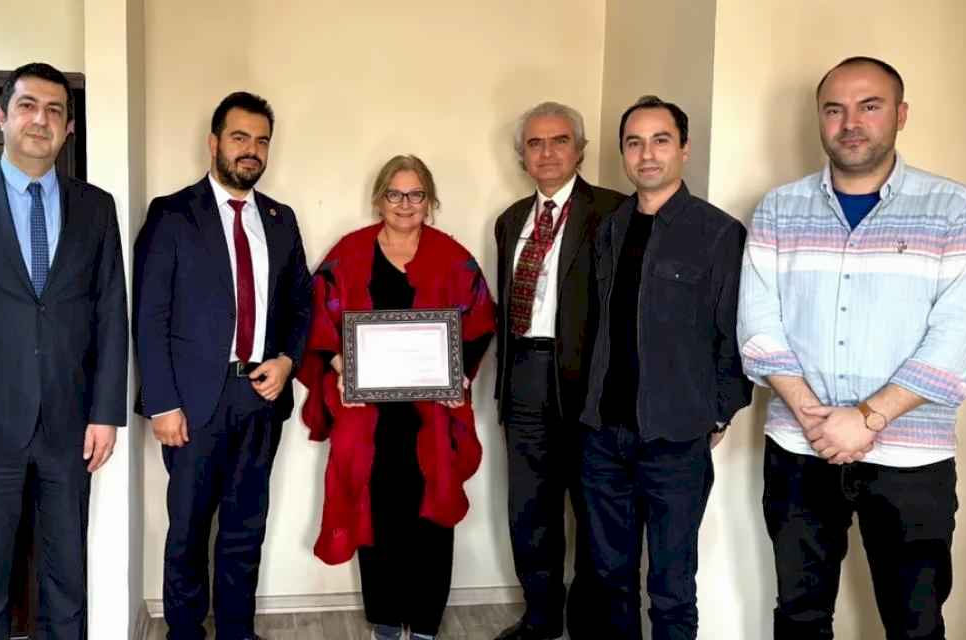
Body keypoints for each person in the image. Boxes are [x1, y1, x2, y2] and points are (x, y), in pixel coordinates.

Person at [738, 56, 966, 640]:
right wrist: (818, 419)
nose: (850, 122)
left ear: (900, 115)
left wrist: (868, 418)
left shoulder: (955, 209)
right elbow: (758, 324)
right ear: (819, 119)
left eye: (869, 106)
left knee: (914, 622)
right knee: (799, 615)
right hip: (799, 451)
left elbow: (958, 339)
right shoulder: (779, 208)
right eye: (834, 109)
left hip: (912, 459)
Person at [0, 62, 129, 640]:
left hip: (70, 426)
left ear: (68, 128)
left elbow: (111, 312)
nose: (41, 119)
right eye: (28, 106)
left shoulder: (97, 207)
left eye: (55, 110)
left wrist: (105, 413)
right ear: (2, 117)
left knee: (67, 582)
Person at [134, 91, 313, 640]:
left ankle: (238, 631)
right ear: (213, 143)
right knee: (188, 530)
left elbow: (302, 304)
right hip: (193, 403)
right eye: (240, 137)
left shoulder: (280, 219)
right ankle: (185, 632)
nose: (251, 150)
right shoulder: (172, 213)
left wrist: (287, 361)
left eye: (261, 140)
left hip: (260, 396)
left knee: (244, 529)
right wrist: (162, 403)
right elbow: (149, 314)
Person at [297, 155, 496, 640]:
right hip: (367, 414)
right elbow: (314, 320)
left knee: (432, 513)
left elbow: (480, 323)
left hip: (431, 414)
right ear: (379, 198)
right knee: (375, 512)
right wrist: (340, 367)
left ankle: (425, 622)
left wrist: (458, 374)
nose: (405, 204)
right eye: (394, 194)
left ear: (430, 200)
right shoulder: (348, 254)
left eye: (416, 194)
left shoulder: (452, 257)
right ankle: (385, 619)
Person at [578, 95, 752, 639]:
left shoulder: (717, 233)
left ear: (684, 149)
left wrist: (719, 412)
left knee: (672, 589)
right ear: (623, 153)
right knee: (610, 579)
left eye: (660, 140)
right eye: (634, 143)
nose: (646, 154)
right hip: (604, 436)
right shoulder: (609, 228)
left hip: (674, 441)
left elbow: (736, 332)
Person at [492, 102, 625, 640]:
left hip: (588, 383)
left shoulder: (613, 210)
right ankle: (540, 619)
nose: (547, 152)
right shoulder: (510, 220)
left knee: (594, 510)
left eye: (559, 140)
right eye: (535, 143)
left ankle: (588, 625)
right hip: (523, 374)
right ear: (522, 155)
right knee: (530, 509)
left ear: (580, 150)